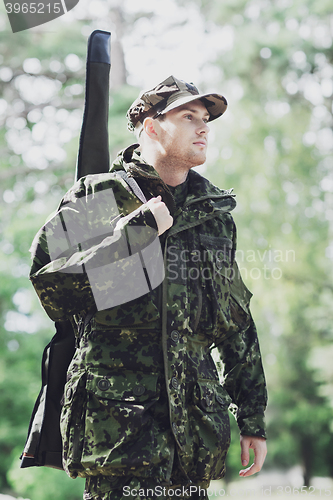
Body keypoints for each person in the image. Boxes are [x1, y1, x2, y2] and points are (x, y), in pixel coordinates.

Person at [29, 75, 267, 500]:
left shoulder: (213, 216)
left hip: (193, 443)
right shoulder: (99, 196)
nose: (204, 127)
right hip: (120, 441)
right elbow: (53, 288)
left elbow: (235, 322)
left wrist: (252, 418)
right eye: (189, 116)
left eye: (206, 118)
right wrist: (135, 235)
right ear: (152, 127)